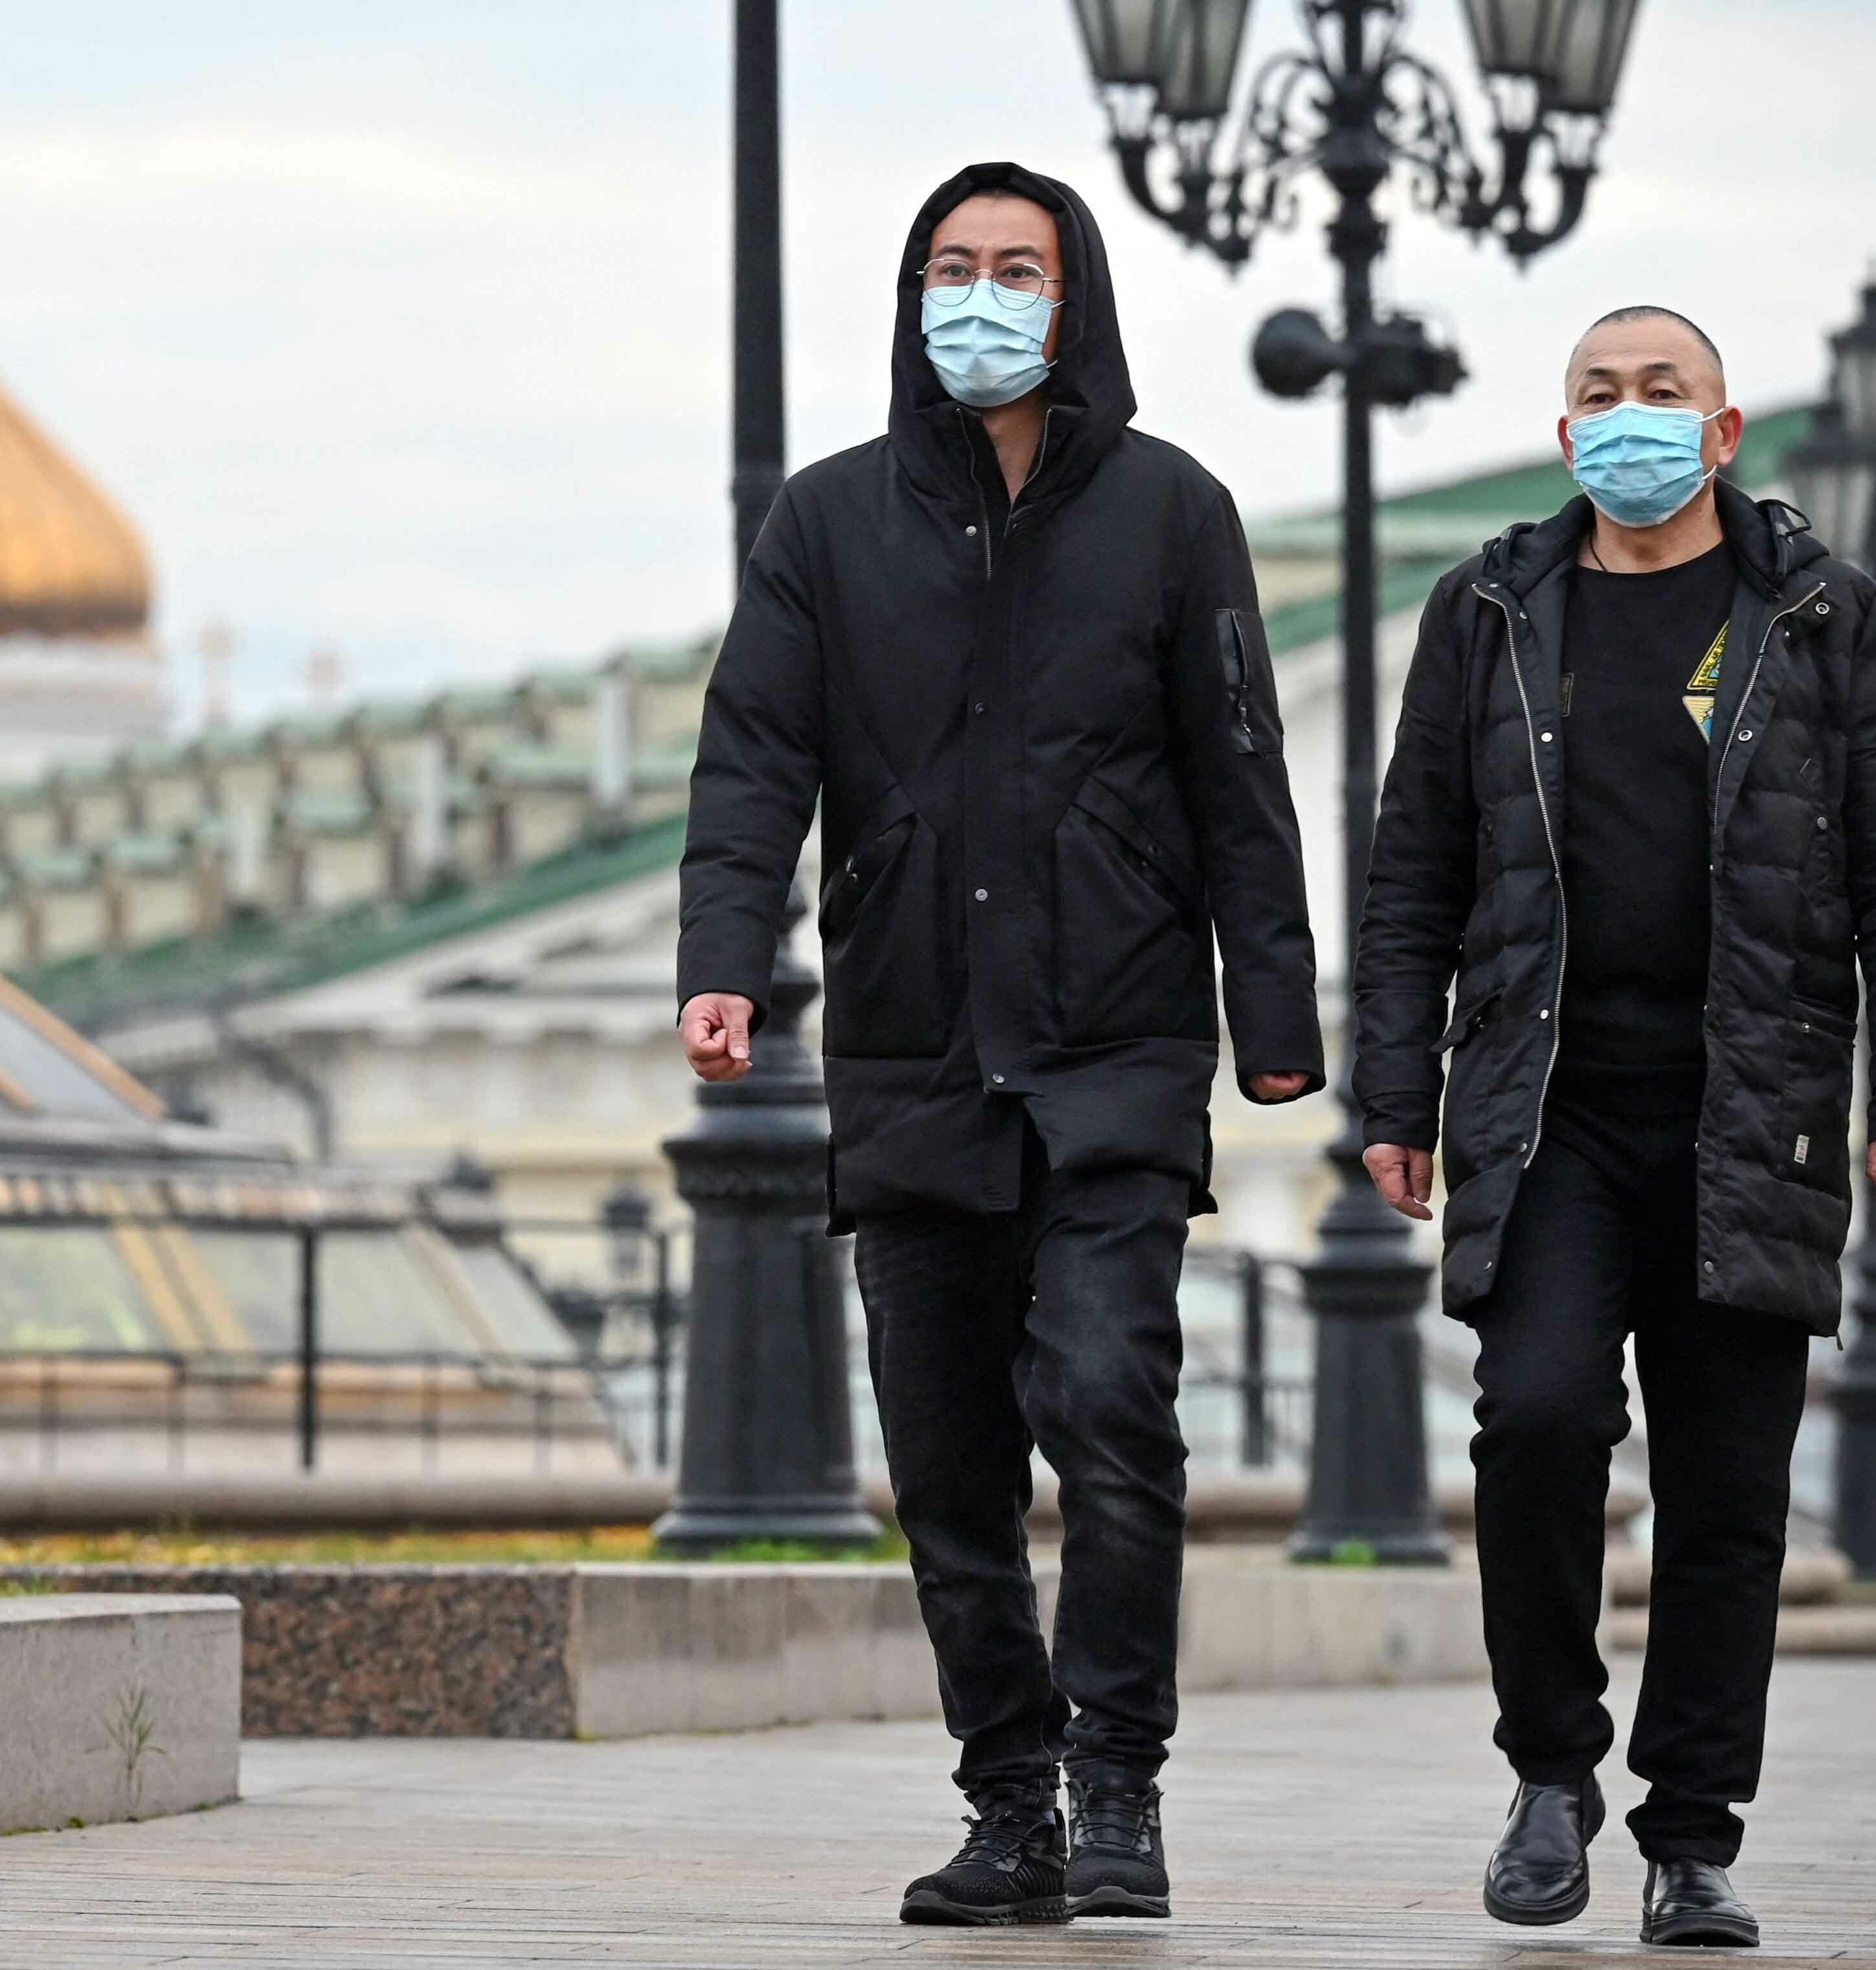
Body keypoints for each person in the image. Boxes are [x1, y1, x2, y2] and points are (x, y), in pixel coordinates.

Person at [676, 161, 1324, 1928]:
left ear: (1074, 295)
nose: (979, 295)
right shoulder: (825, 525)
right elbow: (752, 761)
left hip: (1114, 1045)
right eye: (950, 268)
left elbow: (1238, 772)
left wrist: (1276, 1018)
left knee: (1113, 1404)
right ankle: (1011, 1802)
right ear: (913, 297)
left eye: (1013, 268)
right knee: (951, 1459)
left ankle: (1120, 1785)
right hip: (909, 1051)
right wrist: (725, 956)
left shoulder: (1175, 512)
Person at [1352, 305, 1876, 1950]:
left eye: (1661, 391)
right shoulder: (1488, 609)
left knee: (1725, 1494)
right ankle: (1553, 1772)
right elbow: (1415, 863)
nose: (1630, 417)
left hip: (1747, 1116)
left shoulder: (1823, 616)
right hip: (1548, 1107)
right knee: (1537, 1420)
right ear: (1565, 439)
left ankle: (1692, 1836)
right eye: (1599, 395)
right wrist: (1392, 1094)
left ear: (1724, 428)